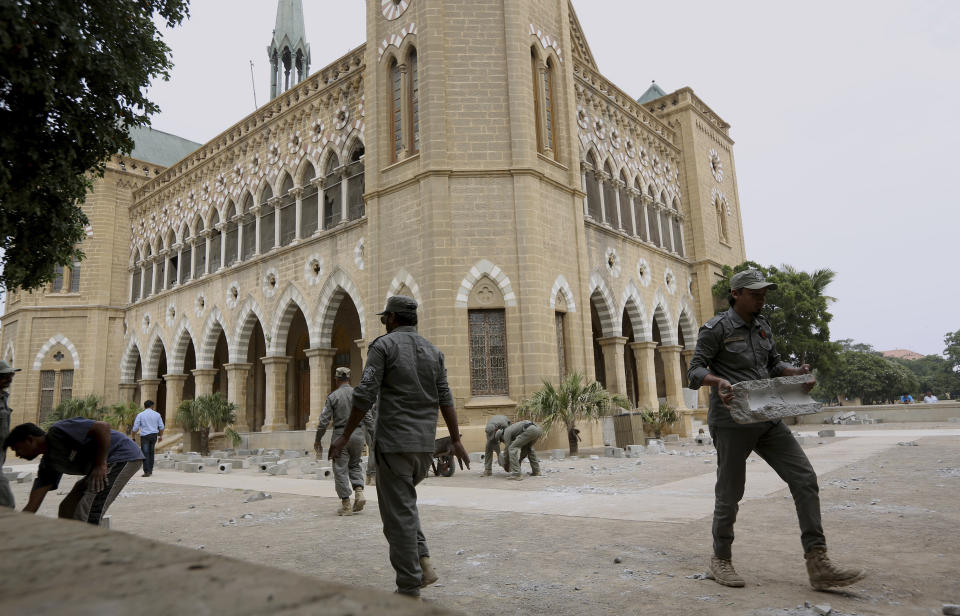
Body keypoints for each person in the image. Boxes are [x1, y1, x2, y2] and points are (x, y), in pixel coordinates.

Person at [687, 269, 865, 591]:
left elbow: (773, 365)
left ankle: (817, 561)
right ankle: (720, 559)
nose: (761, 297)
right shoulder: (716, 328)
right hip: (732, 421)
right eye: (755, 293)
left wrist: (795, 372)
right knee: (730, 493)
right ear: (736, 293)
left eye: (763, 292)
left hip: (768, 415)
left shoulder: (763, 327)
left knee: (804, 478)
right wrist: (718, 381)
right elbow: (694, 370)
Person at [329, 295, 469, 598]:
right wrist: (455, 439)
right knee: (403, 507)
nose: (384, 323)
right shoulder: (434, 352)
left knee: (396, 520)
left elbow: (364, 395)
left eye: (384, 319)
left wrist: (343, 435)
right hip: (423, 447)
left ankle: (408, 589)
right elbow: (445, 397)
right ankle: (424, 562)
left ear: (391, 318)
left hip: (394, 445)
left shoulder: (383, 346)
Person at [5, 418, 144, 525]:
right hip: (103, 465)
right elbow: (32, 506)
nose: (17, 455)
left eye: (17, 448)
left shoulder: (58, 431)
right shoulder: (48, 464)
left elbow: (102, 427)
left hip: (122, 455)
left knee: (88, 509)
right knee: (68, 508)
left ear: (30, 440)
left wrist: (100, 464)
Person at [314, 367, 373, 516]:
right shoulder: (358, 395)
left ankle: (346, 504)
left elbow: (323, 422)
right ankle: (359, 492)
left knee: (340, 469)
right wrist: (374, 437)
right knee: (355, 464)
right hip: (358, 435)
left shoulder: (333, 397)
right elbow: (368, 418)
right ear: (349, 379)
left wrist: (318, 440)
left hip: (340, 435)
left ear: (336, 379)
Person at [0, 360, 21, 508]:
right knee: (7, 503)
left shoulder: (3, 397)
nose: (10, 379)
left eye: (11, 375)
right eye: (5, 376)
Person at [131, 399, 164, 477]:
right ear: (152, 406)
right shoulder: (157, 414)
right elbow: (161, 427)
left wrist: (133, 436)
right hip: (154, 435)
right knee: (151, 452)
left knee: (145, 453)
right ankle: (150, 470)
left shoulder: (140, 415)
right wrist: (161, 436)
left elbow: (135, 428)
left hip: (145, 436)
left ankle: (146, 471)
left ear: (144, 406)